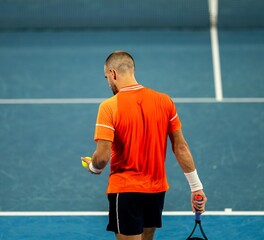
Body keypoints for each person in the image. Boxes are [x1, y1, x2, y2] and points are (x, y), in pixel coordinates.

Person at [82, 51, 207, 240]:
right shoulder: (164, 101)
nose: (108, 82)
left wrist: (93, 167)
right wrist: (196, 187)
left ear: (113, 74)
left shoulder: (109, 107)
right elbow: (181, 147)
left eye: (106, 77)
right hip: (156, 191)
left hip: (125, 190)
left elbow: (101, 158)